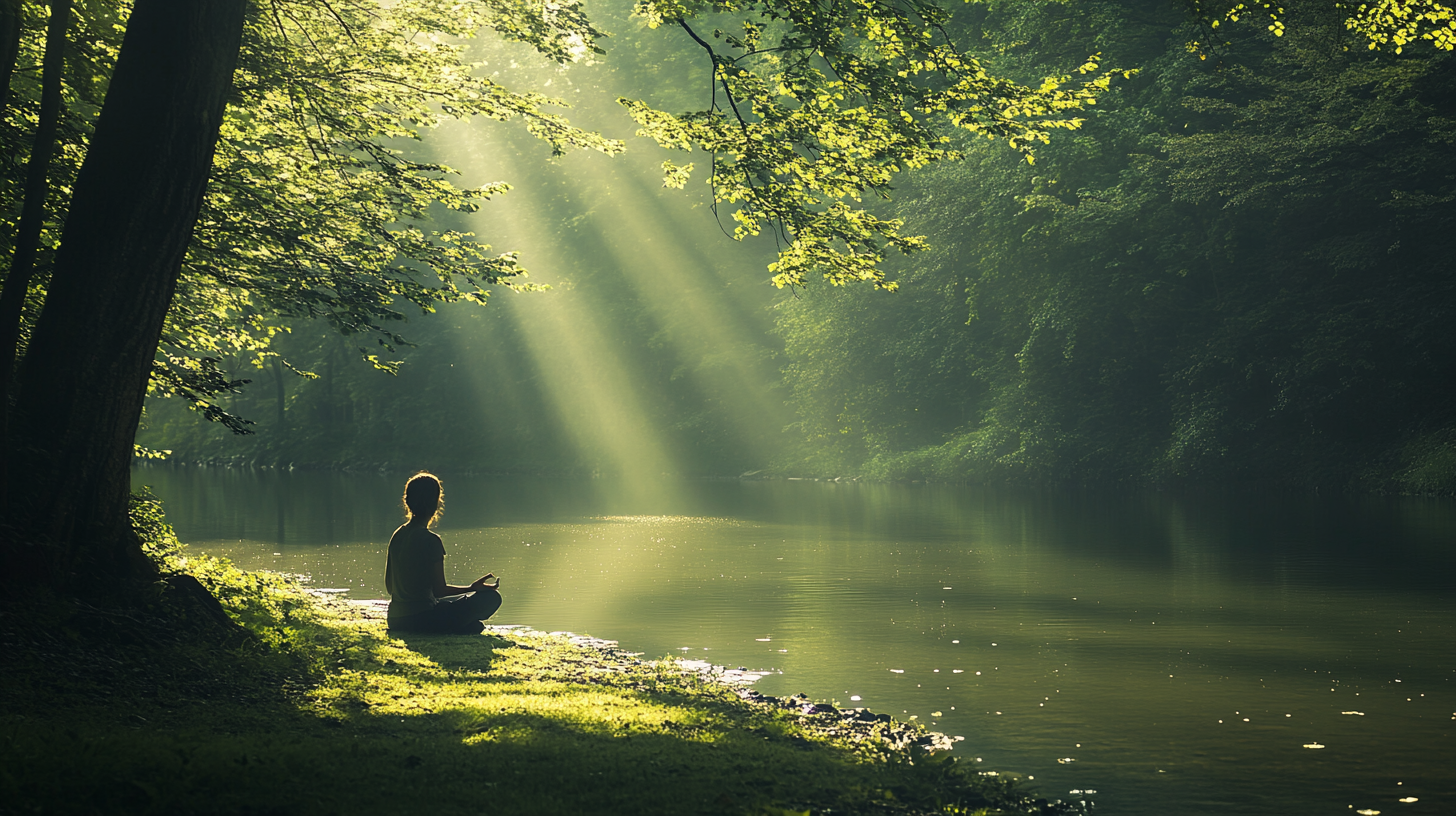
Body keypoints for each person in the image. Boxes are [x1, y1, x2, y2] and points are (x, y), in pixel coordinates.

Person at [384, 472, 502, 634]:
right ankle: (459, 625)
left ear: (408, 502)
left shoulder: (398, 534)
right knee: (491, 598)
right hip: (421, 619)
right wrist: (472, 588)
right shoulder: (430, 540)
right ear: (437, 503)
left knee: (466, 617)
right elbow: (439, 591)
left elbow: (390, 587)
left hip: (395, 619)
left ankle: (462, 625)